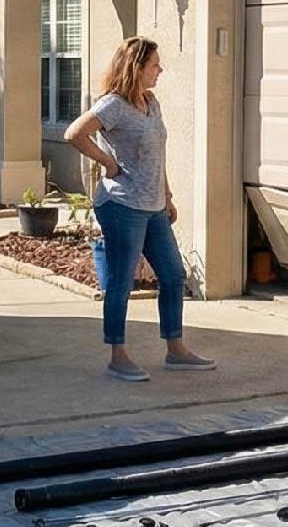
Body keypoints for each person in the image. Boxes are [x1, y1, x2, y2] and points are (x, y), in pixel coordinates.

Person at [65, 37, 215, 382]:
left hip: (154, 206)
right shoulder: (114, 105)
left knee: (173, 275)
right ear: (137, 67)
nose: (160, 70)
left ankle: (176, 350)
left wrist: (168, 196)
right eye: (154, 65)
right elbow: (75, 133)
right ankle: (118, 356)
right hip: (121, 204)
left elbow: (157, 154)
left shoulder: (151, 102)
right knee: (121, 282)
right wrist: (107, 163)